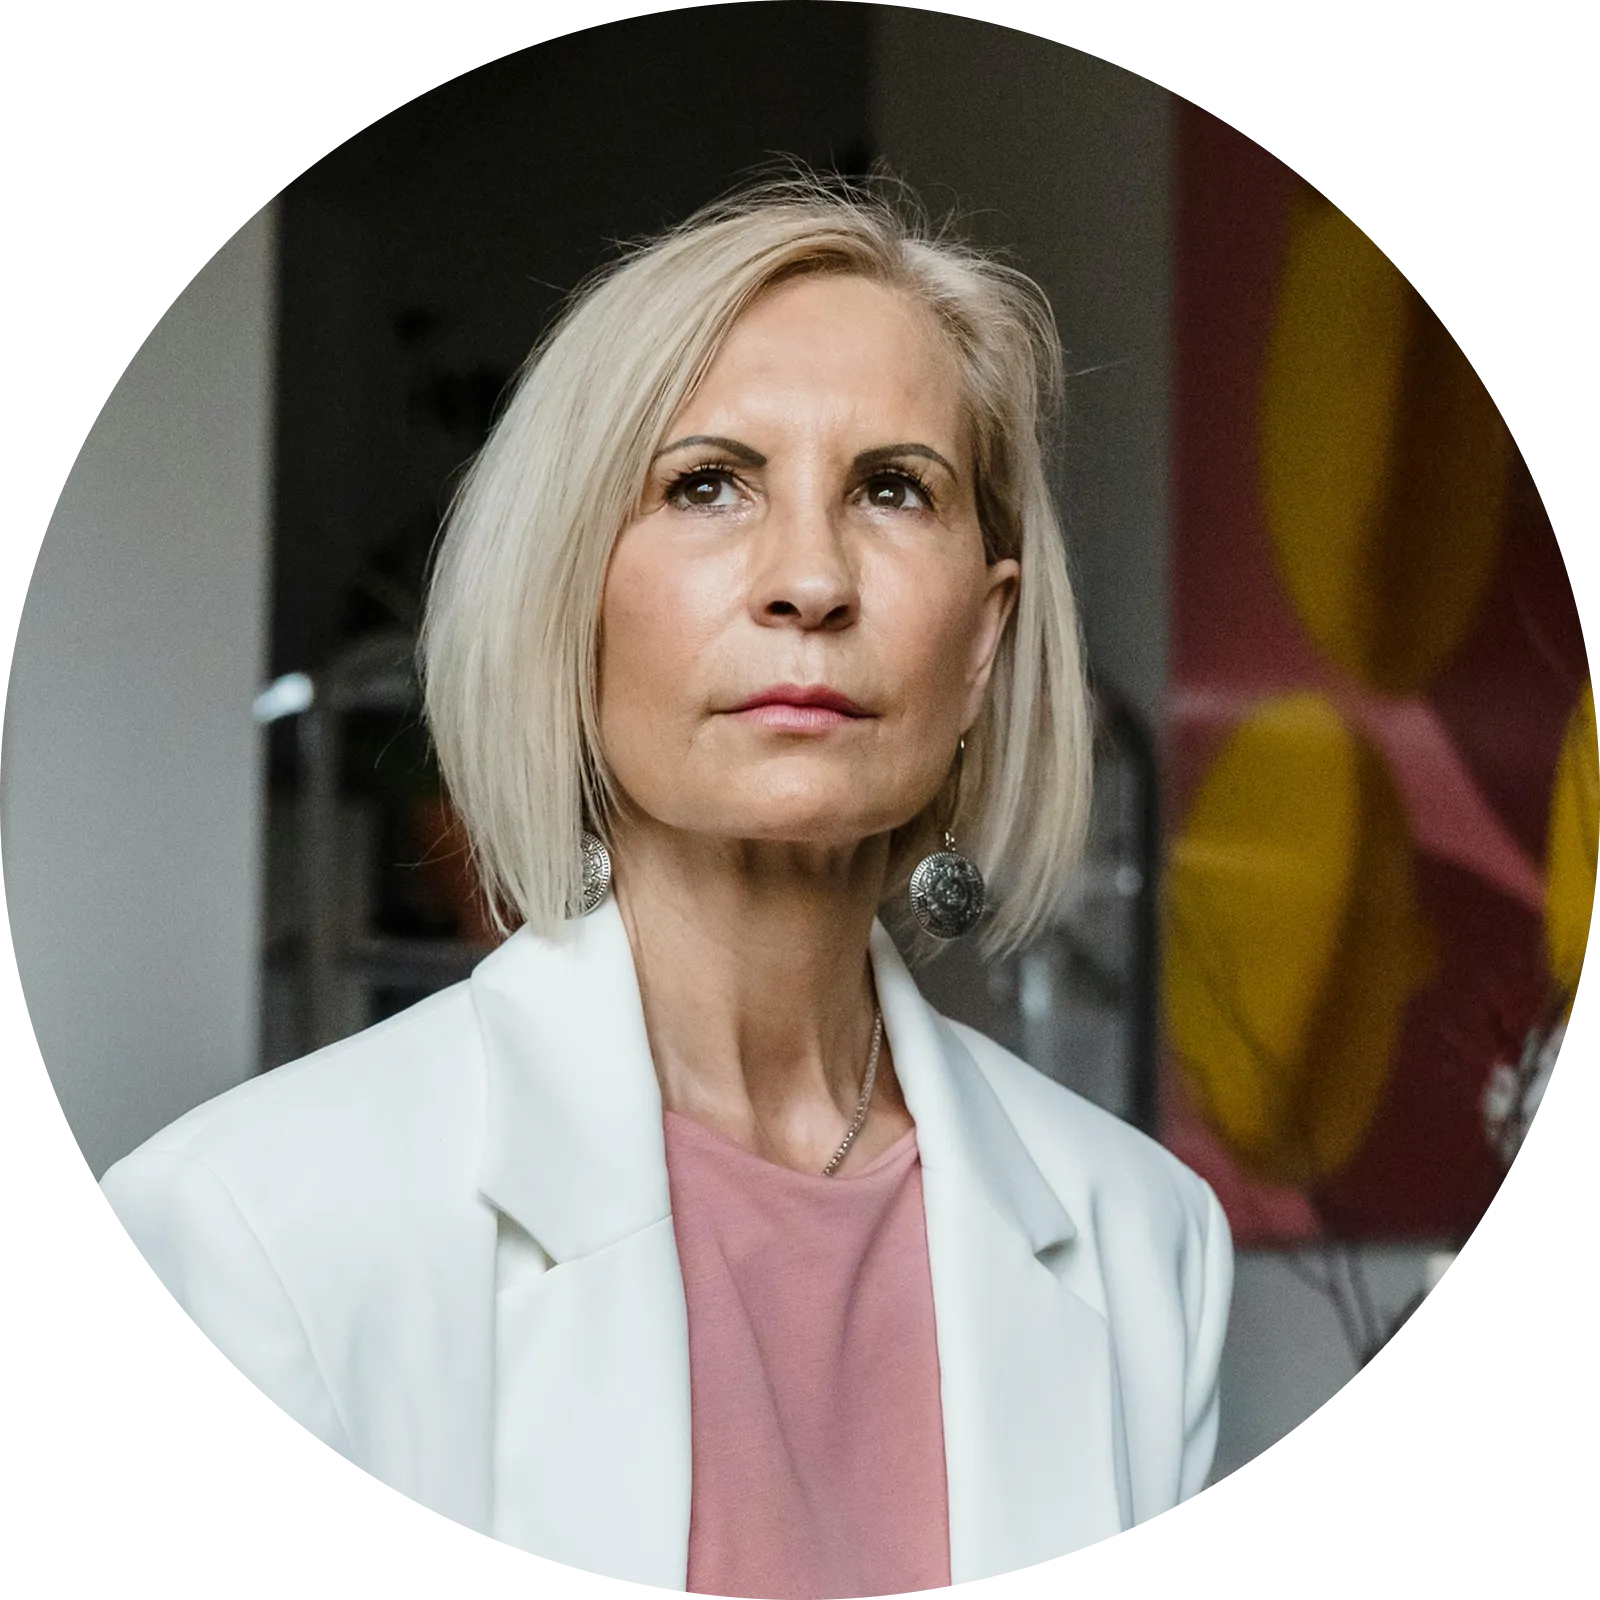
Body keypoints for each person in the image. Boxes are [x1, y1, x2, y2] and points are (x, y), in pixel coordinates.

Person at [99, 171, 1232, 1593]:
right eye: (708, 484)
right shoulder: (254, 1226)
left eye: (893, 489)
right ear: (573, 601)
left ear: (985, 640)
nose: (809, 580)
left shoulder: (1144, 1239)